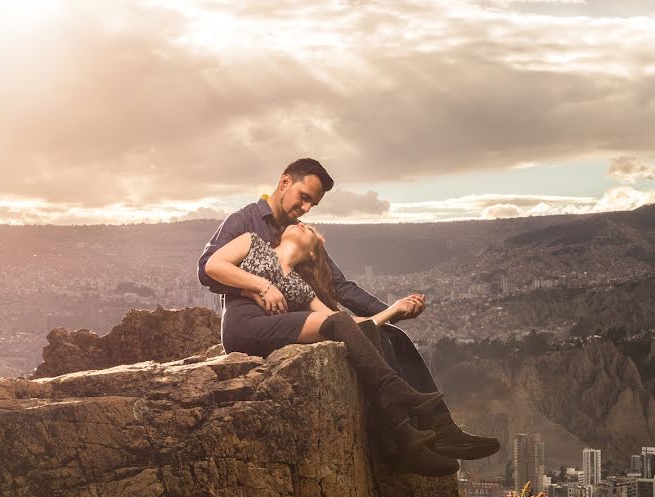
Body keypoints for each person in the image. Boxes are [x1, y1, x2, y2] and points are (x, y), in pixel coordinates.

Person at [197, 158, 500, 471]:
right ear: (284, 182)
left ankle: (441, 429)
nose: (305, 210)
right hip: (270, 322)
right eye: (303, 197)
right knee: (364, 332)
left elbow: (340, 287)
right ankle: (400, 435)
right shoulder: (246, 223)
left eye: (312, 205)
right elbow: (208, 269)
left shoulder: (305, 238)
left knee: (390, 335)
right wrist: (259, 287)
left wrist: (391, 311)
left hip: (305, 317)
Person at [205, 225, 454, 470]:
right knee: (338, 321)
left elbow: (351, 325)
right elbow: (213, 266)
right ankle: (396, 394)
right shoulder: (253, 242)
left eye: (310, 230)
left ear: (313, 253)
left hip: (270, 331)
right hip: (241, 326)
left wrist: (393, 310)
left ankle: (401, 426)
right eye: (300, 224)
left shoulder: (300, 287)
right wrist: (263, 286)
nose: (303, 225)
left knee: (340, 321)